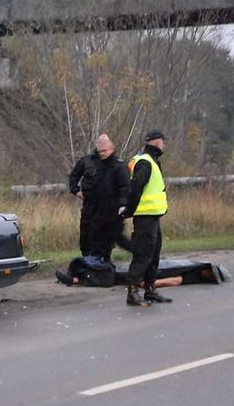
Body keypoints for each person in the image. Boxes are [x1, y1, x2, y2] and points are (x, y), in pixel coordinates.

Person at [59, 134, 131, 285]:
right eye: (100, 149)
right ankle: (86, 269)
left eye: (105, 149)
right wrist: (76, 191)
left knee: (105, 244)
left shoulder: (117, 165)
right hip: (90, 208)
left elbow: (124, 188)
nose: (102, 152)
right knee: (86, 239)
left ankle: (101, 273)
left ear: (112, 147)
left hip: (109, 210)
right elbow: (73, 177)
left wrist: (122, 206)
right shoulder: (88, 161)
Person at [118, 130, 173, 307]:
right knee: (143, 254)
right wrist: (129, 210)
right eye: (163, 141)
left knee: (154, 253)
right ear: (157, 142)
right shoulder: (145, 162)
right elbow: (135, 189)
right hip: (144, 218)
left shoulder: (153, 161)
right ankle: (132, 293)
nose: (164, 144)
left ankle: (150, 289)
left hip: (153, 217)